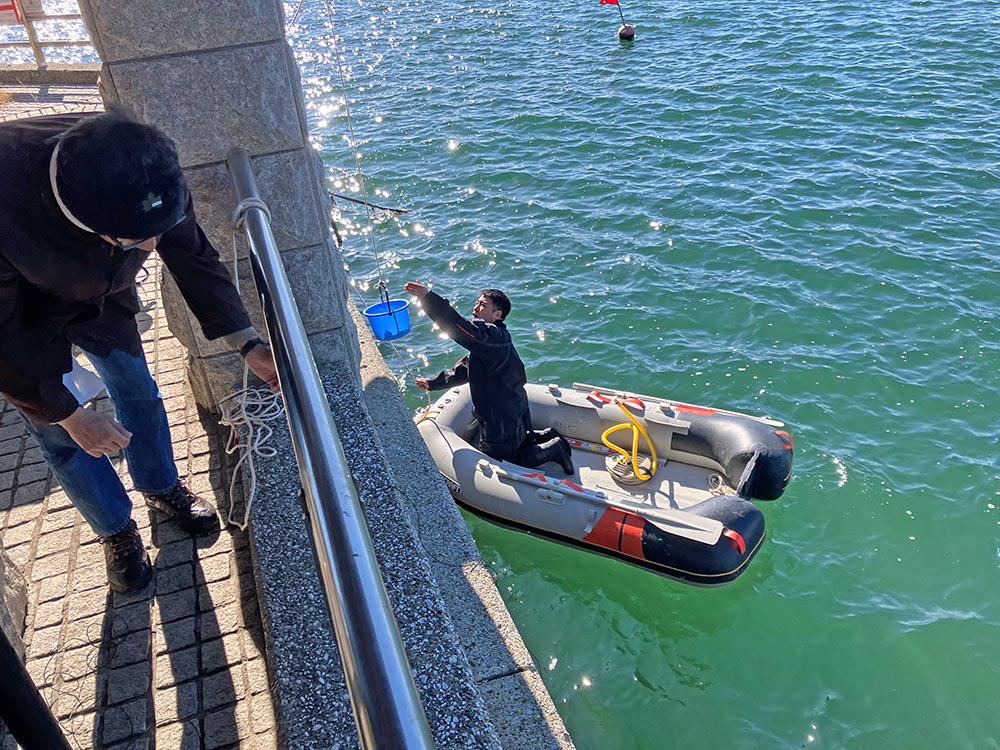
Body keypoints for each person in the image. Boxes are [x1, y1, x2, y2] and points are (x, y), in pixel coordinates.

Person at [0, 107, 279, 592]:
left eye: (157, 231)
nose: (152, 246)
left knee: (139, 389)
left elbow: (193, 257)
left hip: (105, 300)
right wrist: (68, 414)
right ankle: (116, 530)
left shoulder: (145, 162)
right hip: (22, 318)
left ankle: (160, 485)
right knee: (62, 434)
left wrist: (247, 342)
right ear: (85, 219)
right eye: (133, 238)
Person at [404, 281, 573, 475]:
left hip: (499, 414)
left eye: (483, 304)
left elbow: (458, 327)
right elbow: (467, 367)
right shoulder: (495, 338)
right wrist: (433, 383)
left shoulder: (490, 336)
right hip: (512, 405)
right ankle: (547, 436)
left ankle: (553, 450)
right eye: (477, 302)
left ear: (497, 315)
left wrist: (428, 298)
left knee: (505, 458)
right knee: (516, 440)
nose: (476, 307)